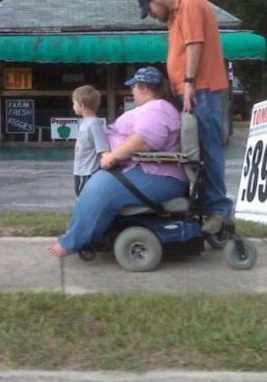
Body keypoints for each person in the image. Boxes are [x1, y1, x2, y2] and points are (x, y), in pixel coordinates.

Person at [48, 67, 187, 257]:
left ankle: (73, 242)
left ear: (144, 88)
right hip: (146, 171)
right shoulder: (151, 109)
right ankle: (87, 236)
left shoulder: (157, 109)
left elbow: (144, 141)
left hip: (158, 175)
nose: (132, 91)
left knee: (100, 188)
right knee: (97, 184)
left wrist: (112, 156)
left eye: (134, 87)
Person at [136, 0, 232, 233]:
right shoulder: (175, 14)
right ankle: (205, 203)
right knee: (194, 149)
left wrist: (188, 82)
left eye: (150, 9)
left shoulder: (190, 2)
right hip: (190, 90)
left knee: (209, 148)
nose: (153, 16)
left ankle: (219, 209)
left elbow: (194, 44)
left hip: (202, 89)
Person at [71, 85, 109, 197]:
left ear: (81, 105)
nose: (73, 106)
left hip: (88, 171)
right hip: (80, 169)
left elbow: (102, 147)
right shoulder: (85, 122)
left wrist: (107, 159)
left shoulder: (94, 124)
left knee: (84, 197)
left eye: (74, 103)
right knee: (79, 196)